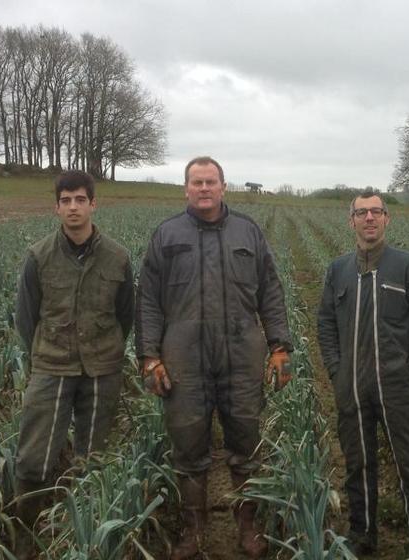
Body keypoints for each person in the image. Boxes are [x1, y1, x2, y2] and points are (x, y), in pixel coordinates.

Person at [135, 156, 293, 560]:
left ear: (223, 187)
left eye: (211, 182)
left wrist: (279, 347)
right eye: (196, 182)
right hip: (184, 356)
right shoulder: (167, 235)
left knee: (245, 438)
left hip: (241, 354)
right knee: (188, 446)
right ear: (185, 189)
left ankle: (248, 527)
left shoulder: (248, 231)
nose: (204, 189)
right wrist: (150, 356)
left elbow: (271, 291)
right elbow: (148, 300)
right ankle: (194, 530)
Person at [13, 170, 134, 558]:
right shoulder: (38, 256)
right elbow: (26, 317)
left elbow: (125, 315)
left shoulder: (118, 257)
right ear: (56, 207)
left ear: (93, 204)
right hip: (51, 367)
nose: (73, 207)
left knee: (93, 459)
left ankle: (84, 536)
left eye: (80, 199)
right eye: (65, 201)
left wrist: (106, 348)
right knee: (34, 459)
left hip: (102, 370)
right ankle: (26, 534)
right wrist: (46, 353)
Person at [317, 191, 409, 558]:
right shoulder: (338, 270)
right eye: (361, 212)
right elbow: (325, 323)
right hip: (352, 386)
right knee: (358, 463)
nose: (369, 218)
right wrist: (337, 370)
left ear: (387, 219)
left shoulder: (407, 266)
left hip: (396, 385)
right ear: (351, 220)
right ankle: (363, 533)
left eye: (376, 212)